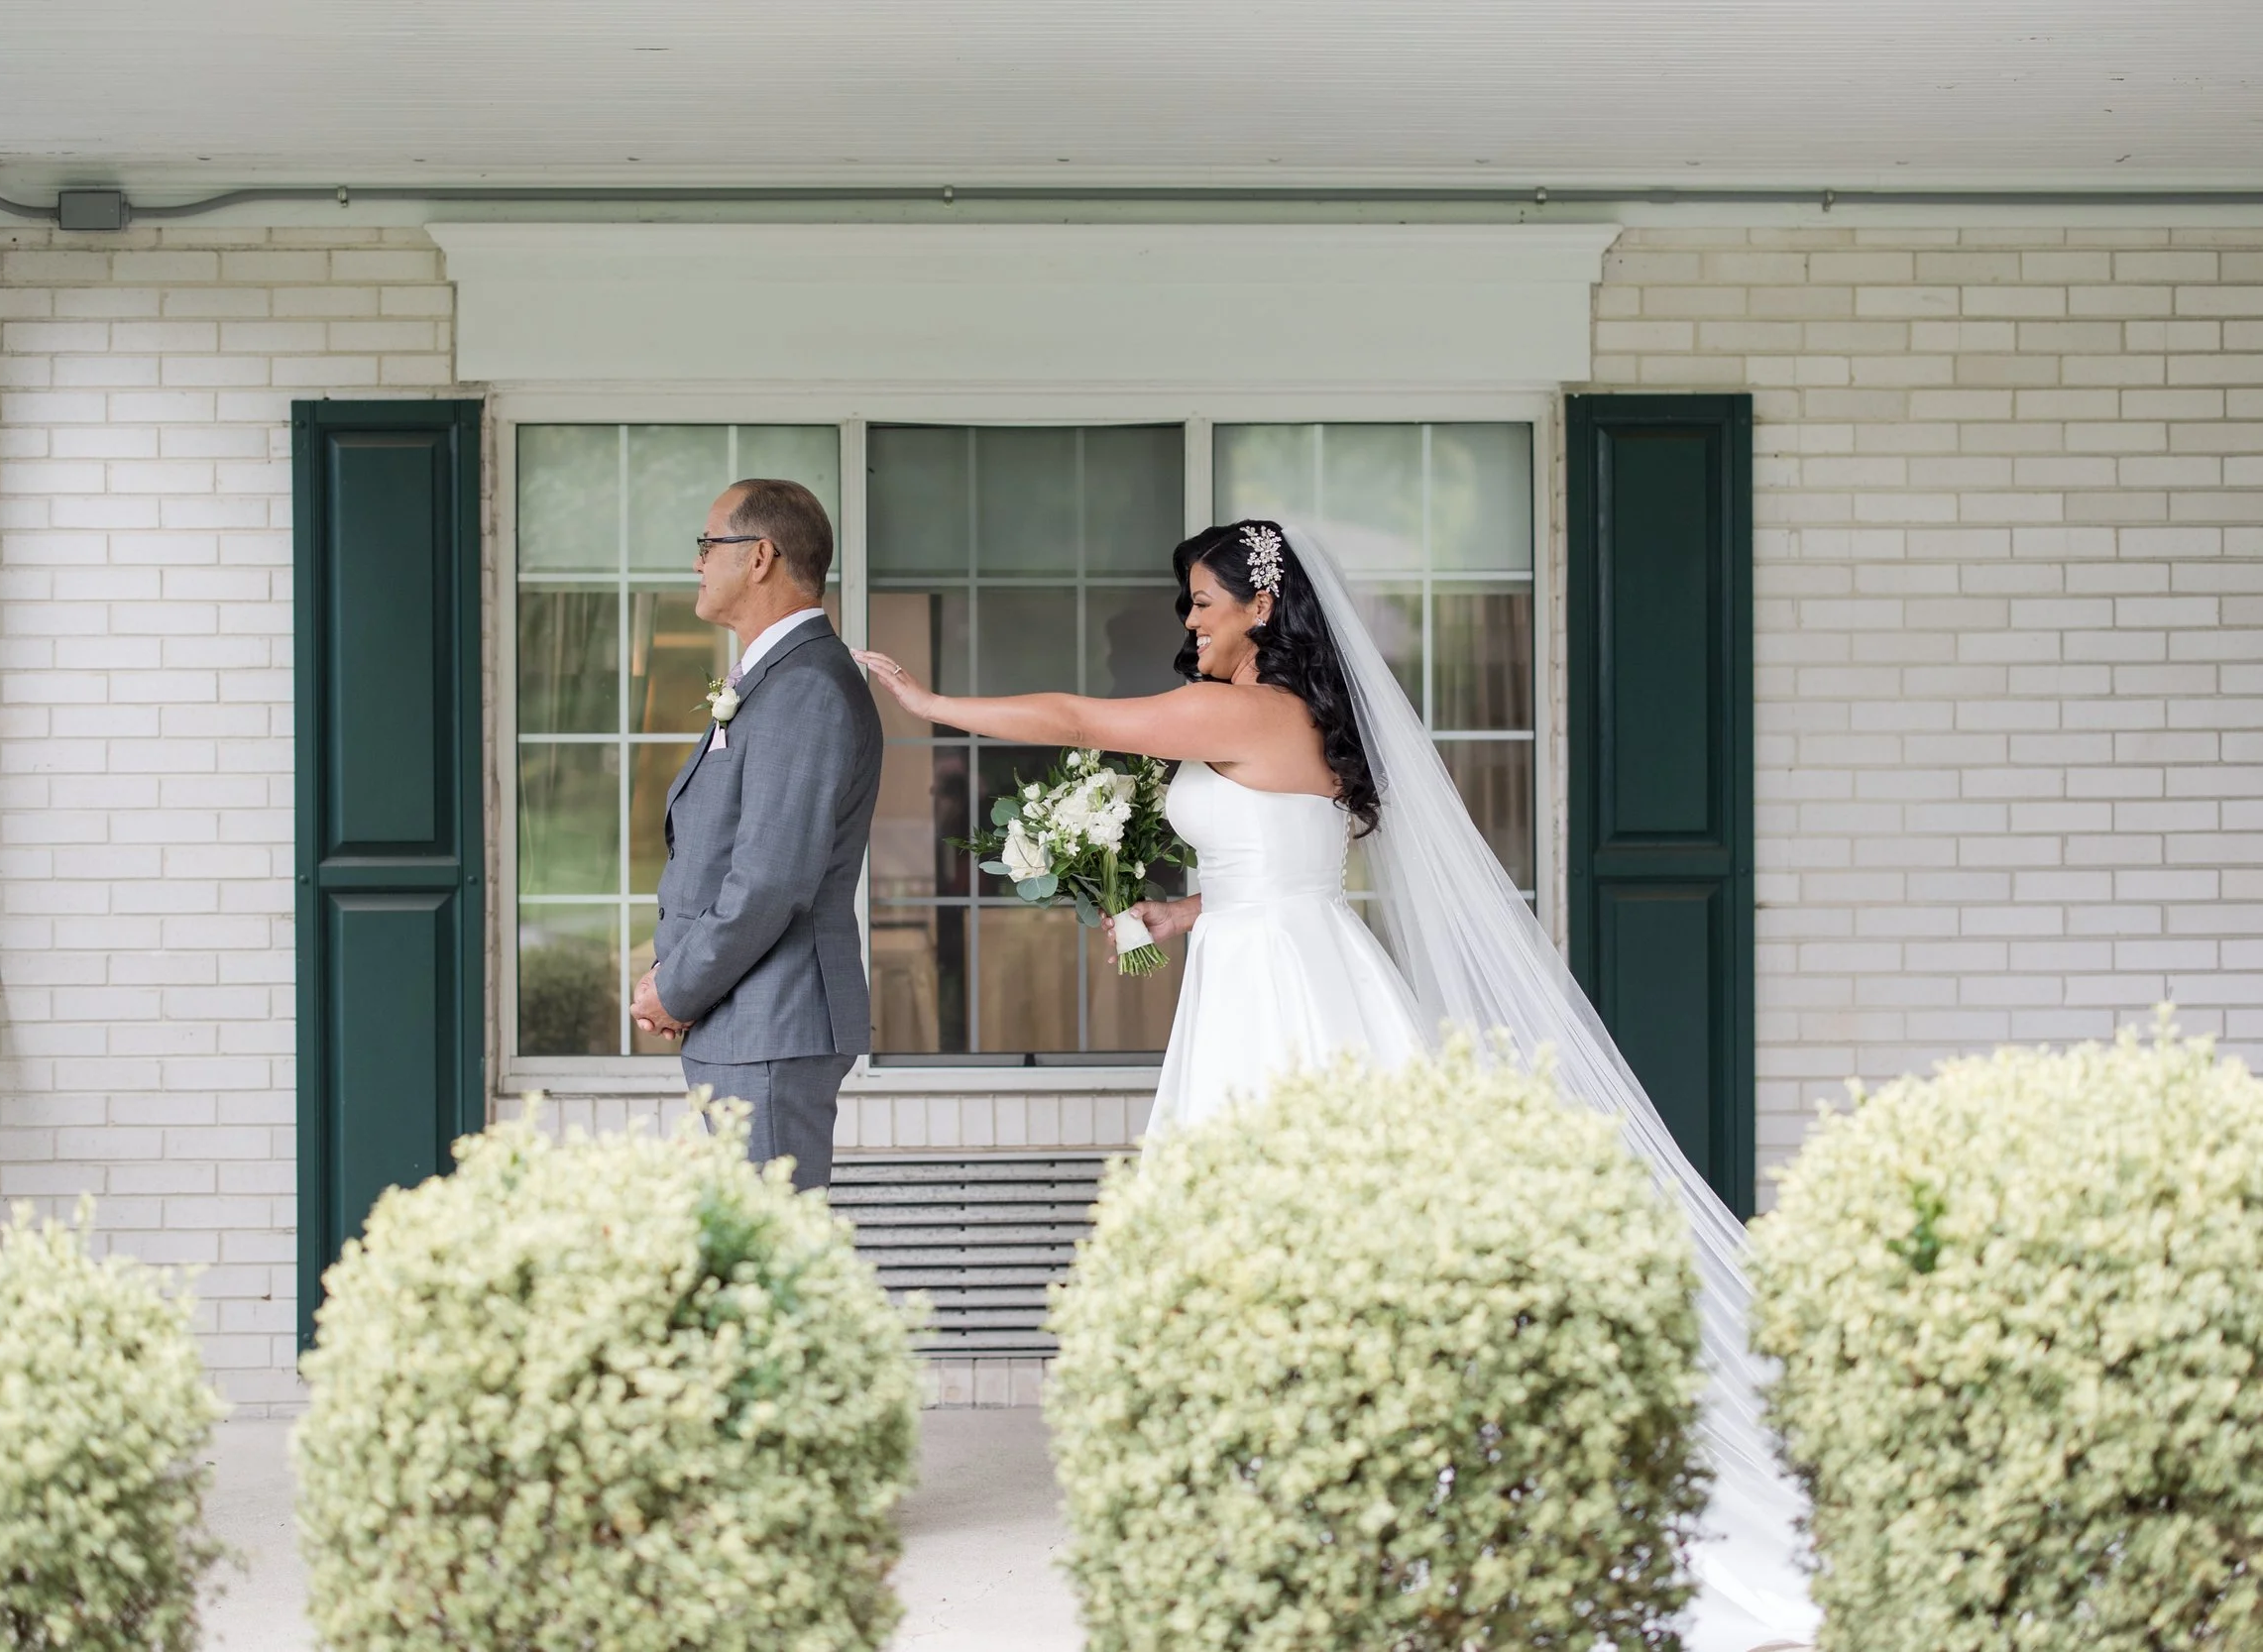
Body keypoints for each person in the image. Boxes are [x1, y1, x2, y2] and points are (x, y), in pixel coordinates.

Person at [856, 518, 1817, 1651]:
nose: (1189, 620)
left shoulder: (1242, 710)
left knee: (1247, 1216)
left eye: (1203, 601)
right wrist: (1178, 908)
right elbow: (1287, 865)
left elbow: (1076, 717)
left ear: (1263, 607)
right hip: (1292, 951)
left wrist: (927, 705)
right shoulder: (1306, 720)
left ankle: (1289, 1476)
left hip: (1272, 984)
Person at [631, 478, 881, 1191]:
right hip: (746, 1018)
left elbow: (770, 878)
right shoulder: (774, 676)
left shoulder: (804, 686)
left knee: (775, 1256)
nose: (697, 563)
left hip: (774, 1017)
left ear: (760, 556)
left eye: (708, 545)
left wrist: (676, 987)